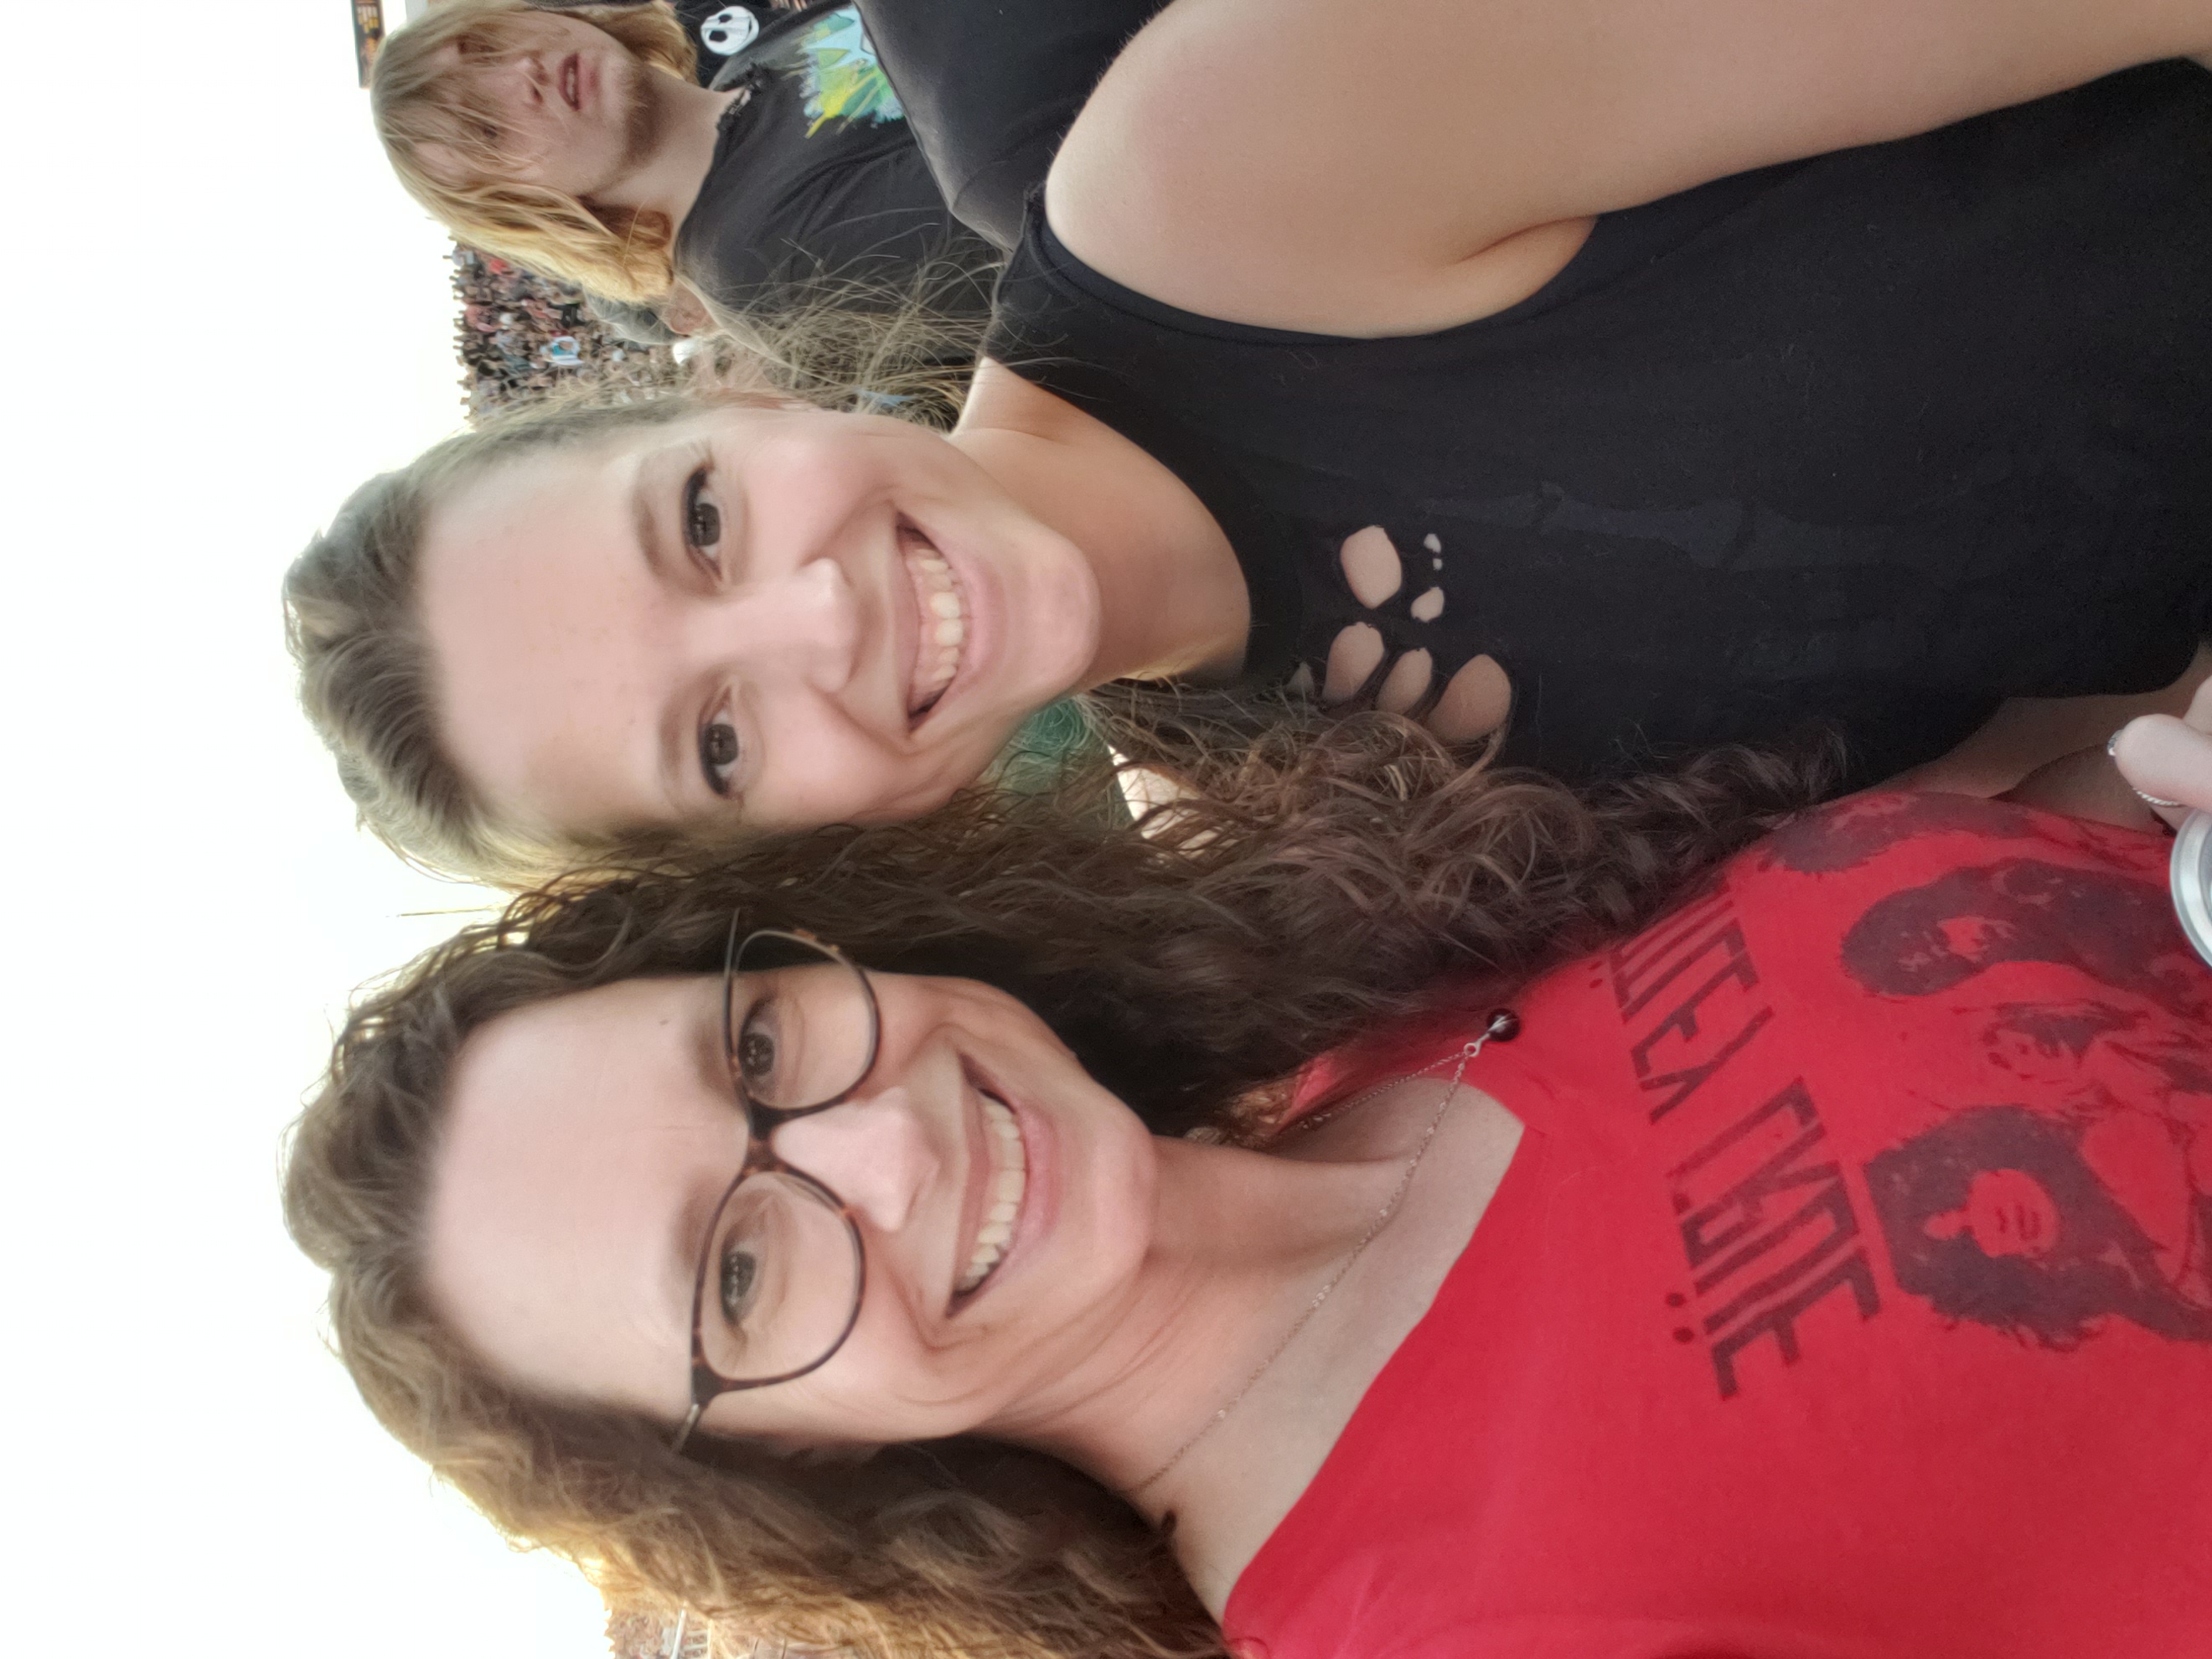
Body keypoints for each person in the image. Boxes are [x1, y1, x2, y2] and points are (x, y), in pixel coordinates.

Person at [285, 709, 2212, 1658]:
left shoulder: (1391, 987)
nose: (880, 1147)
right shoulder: (1431, 1622)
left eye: (761, 1051)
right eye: (736, 1276)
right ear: (772, 1459)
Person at [295, 4, 2212, 882]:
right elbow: (2018, 762)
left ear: (723, 404)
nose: (810, 618)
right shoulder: (1293, 869)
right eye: (713, 737)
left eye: (700, 527)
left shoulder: (1220, 181)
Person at [370, 0, 998, 320]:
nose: (521, 75)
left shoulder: (746, 67)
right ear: (527, 210)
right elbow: (1043, 188)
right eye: (488, 129)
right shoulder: (761, 262)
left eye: (484, 47)